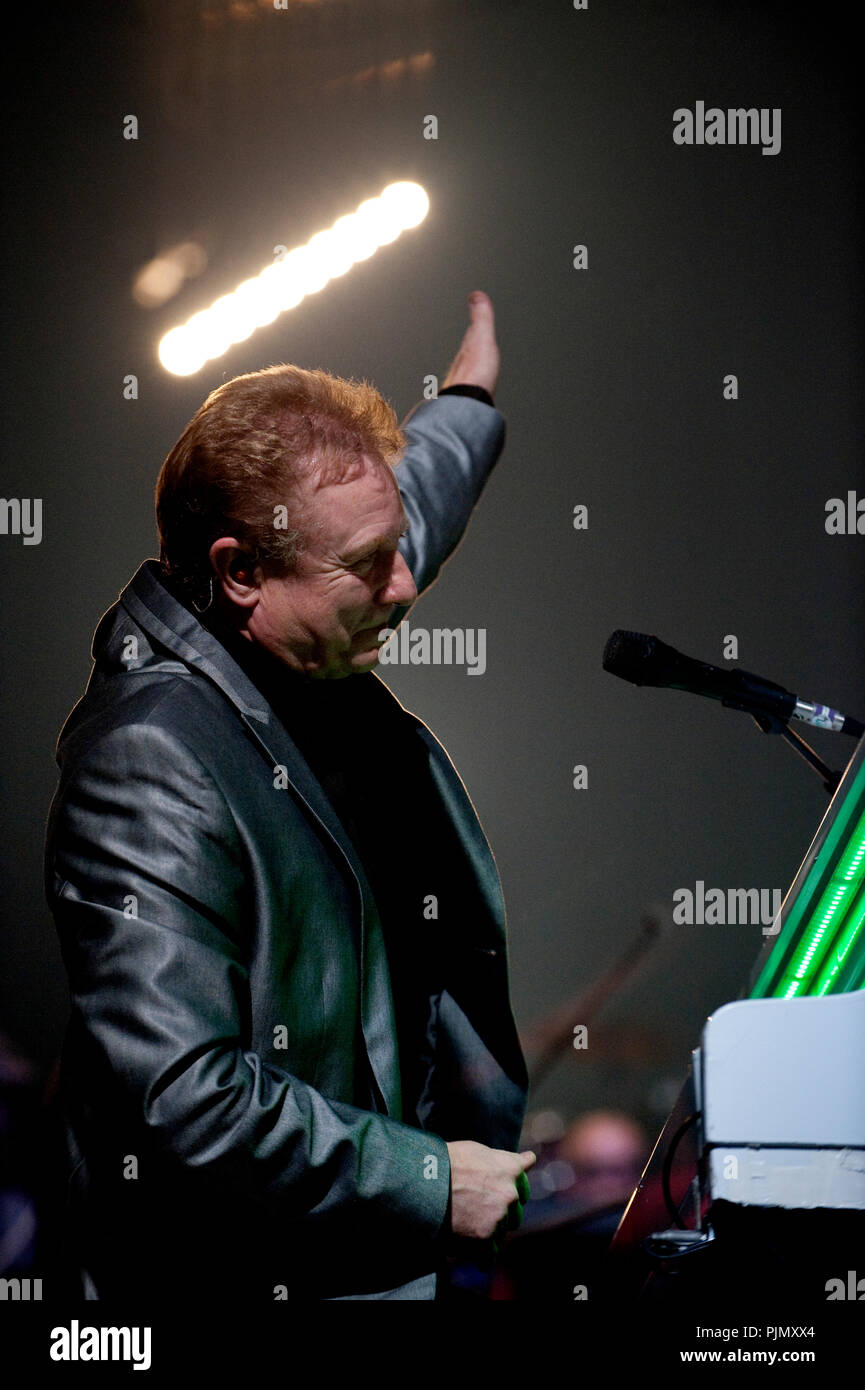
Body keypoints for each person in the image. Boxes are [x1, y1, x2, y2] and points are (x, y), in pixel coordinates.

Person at [45, 292, 534, 1302]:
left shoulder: (313, 582)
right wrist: (430, 1180)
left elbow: (407, 506)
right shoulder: (151, 759)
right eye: (366, 565)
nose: (404, 582)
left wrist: (472, 396)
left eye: (400, 542)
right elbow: (181, 1097)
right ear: (240, 572)